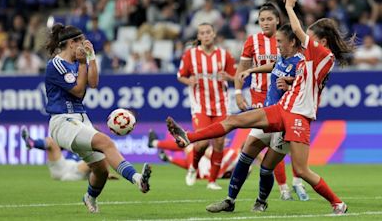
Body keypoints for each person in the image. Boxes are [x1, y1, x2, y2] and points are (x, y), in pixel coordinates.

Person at [166, 0, 353, 214]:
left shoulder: (324, 55)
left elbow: (298, 32)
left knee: (300, 170)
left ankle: (338, 203)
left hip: (298, 116)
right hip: (282, 108)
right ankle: (189, 137)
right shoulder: (310, 58)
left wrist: (290, 7)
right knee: (234, 120)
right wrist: (287, 80)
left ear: (321, 42)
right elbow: (302, 76)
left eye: (309, 37)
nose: (305, 40)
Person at [44, 23, 151, 213]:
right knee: (105, 141)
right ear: (70, 43)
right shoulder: (56, 65)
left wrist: (91, 58)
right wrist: (84, 63)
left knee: (101, 170)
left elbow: (93, 83)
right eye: (79, 40)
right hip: (62, 120)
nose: (83, 43)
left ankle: (89, 197)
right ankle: (137, 179)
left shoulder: (79, 61)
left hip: (81, 118)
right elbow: (77, 91)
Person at [205, 23, 307, 214]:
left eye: (280, 41)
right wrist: (252, 70)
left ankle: (261, 201)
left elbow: (307, 88)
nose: (276, 45)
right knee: (246, 152)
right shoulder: (282, 58)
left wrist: (291, 86)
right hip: (267, 114)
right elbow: (275, 66)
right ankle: (230, 200)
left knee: (266, 168)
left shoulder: (302, 62)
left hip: (285, 122)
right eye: (276, 41)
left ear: (293, 41)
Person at [235, 2, 299, 200]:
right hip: (258, 99)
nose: (265, 23)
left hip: (281, 100)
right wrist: (237, 92)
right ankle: (284, 187)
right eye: (262, 19)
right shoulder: (252, 41)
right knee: (257, 144)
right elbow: (242, 68)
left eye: (269, 19)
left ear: (278, 20)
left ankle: (292, 182)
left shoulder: (287, 40)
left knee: (275, 145)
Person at [177, 22, 236, 190]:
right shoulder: (191, 55)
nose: (206, 35)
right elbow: (180, 75)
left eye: (208, 32)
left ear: (214, 33)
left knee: (218, 143)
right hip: (200, 106)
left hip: (221, 106)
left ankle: (212, 181)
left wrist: (230, 78)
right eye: (202, 33)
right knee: (201, 143)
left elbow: (236, 75)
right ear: (198, 36)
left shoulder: (225, 55)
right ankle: (193, 168)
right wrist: (189, 80)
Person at [21, 126, 118, 181]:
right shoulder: (77, 140)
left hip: (76, 173)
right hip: (62, 168)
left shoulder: (94, 148)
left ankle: (105, 173)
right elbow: (57, 146)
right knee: (52, 142)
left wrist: (106, 174)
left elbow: (98, 166)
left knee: (99, 156)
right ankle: (32, 143)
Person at [148, 130, 246, 180]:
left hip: (205, 170)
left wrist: (217, 145)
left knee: (189, 146)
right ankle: (168, 158)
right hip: (205, 173)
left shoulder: (232, 153)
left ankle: (154, 143)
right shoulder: (240, 159)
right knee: (193, 153)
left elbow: (209, 154)